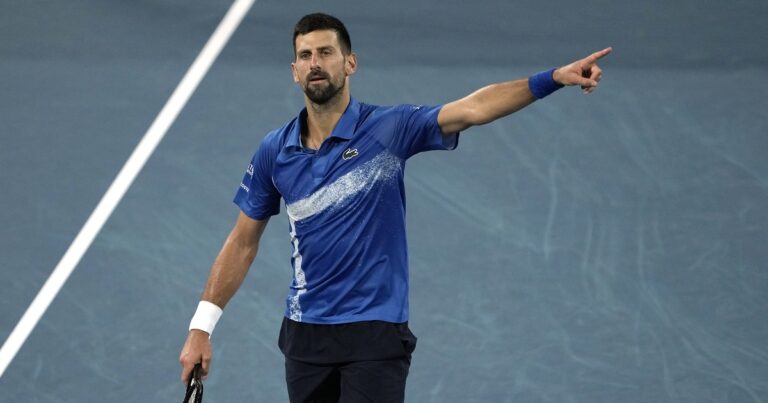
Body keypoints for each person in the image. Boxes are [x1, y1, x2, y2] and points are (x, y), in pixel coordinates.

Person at [179, 12, 611, 403]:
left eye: (326, 52)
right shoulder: (275, 150)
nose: (315, 63)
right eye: (305, 55)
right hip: (306, 335)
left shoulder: (389, 129)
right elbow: (242, 242)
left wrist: (552, 78)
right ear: (294, 71)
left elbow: (475, 108)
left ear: (350, 63)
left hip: (375, 331)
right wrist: (202, 327)